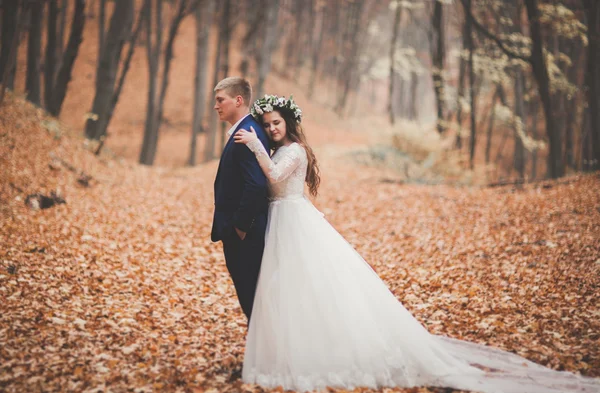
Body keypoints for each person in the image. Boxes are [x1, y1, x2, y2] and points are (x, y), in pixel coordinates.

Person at [232, 94, 600, 393]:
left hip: (296, 221)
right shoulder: (277, 147)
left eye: (276, 123)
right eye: (267, 126)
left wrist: (254, 146)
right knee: (291, 289)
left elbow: (276, 175)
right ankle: (298, 349)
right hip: (281, 222)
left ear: (290, 123)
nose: (271, 129)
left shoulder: (293, 150)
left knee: (315, 285)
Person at [210, 77, 270, 321]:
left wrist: (240, 226)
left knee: (251, 295)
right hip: (243, 231)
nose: (216, 106)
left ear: (238, 100)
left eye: (220, 100)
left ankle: (266, 355)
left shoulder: (246, 134)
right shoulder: (245, 130)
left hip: (245, 235)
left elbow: (256, 184)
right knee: (251, 295)